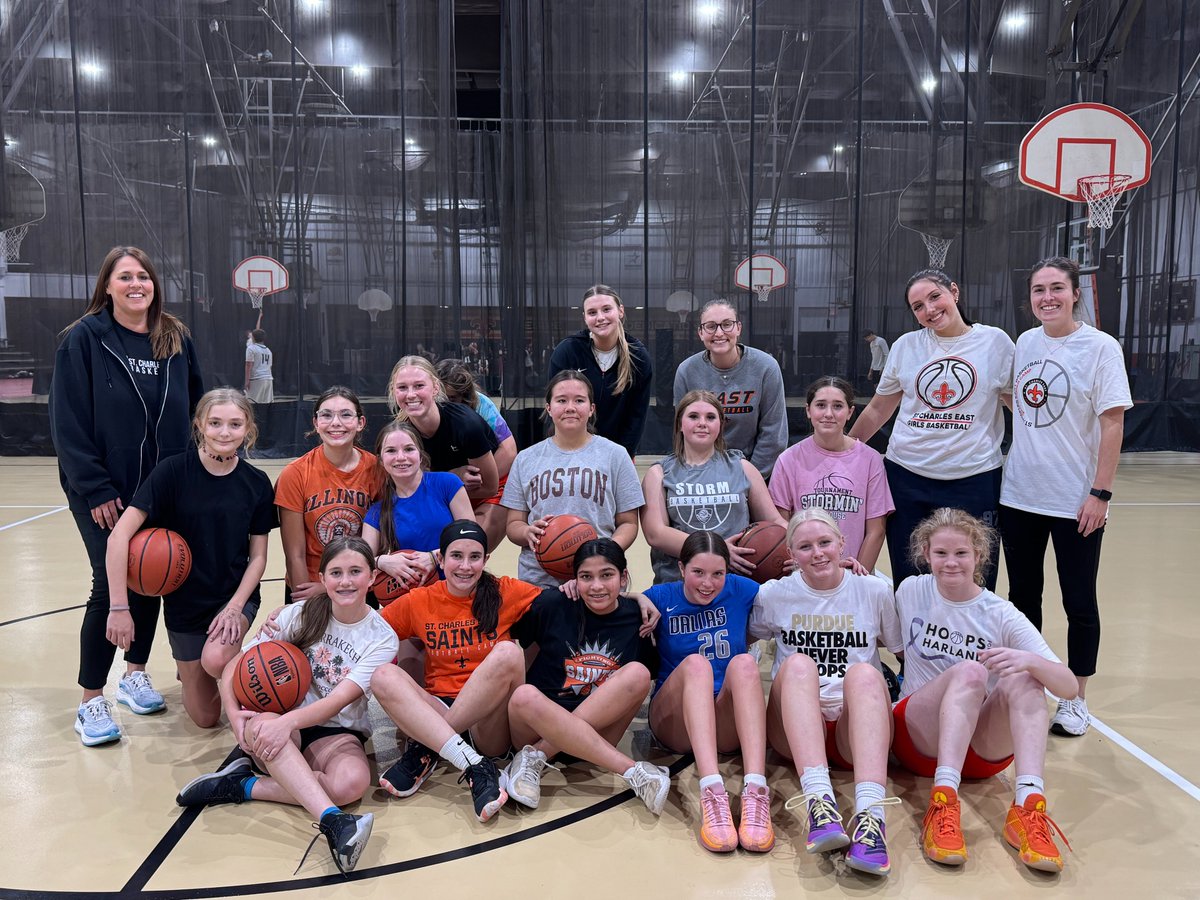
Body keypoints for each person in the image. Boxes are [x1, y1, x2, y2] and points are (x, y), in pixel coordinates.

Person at [49, 246, 204, 746]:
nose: (137, 284)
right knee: (110, 582)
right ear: (108, 286)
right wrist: (94, 486)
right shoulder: (83, 340)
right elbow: (67, 422)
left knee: (157, 570)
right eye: (125, 277)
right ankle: (90, 698)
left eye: (144, 276)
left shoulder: (173, 338)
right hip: (105, 489)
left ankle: (134, 671)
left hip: (164, 484)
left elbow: (197, 407)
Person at [174, 537, 398, 875]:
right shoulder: (301, 613)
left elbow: (339, 700)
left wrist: (288, 724)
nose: (346, 581)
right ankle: (334, 821)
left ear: (371, 577)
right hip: (276, 714)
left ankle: (242, 785)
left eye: (355, 571)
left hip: (335, 728)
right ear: (322, 579)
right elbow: (238, 662)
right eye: (336, 572)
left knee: (352, 783)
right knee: (265, 729)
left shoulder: (381, 636)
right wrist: (235, 716)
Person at [894, 508, 1076, 873]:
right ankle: (943, 800)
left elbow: (1068, 687)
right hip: (917, 740)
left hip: (980, 753)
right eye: (940, 553)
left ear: (979, 555)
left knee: (1025, 678)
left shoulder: (1001, 614)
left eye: (961, 553)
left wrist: (1029, 662)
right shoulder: (910, 590)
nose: (950, 563)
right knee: (971, 672)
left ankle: (1027, 805)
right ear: (924, 554)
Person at [999, 256, 1132, 738]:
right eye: (1038, 290)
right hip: (1018, 496)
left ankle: (1076, 697)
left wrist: (1100, 492)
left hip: (1076, 500)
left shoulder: (1100, 348)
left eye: (1057, 288)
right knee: (1022, 598)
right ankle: (1027, 685)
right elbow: (1018, 398)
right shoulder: (1025, 343)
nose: (1047, 298)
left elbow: (1112, 422)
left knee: (1079, 599)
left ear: (1075, 293)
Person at [104, 388, 277, 729]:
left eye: (234, 424)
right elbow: (118, 537)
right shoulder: (171, 473)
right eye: (215, 423)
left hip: (233, 597)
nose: (224, 433)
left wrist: (234, 607)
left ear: (248, 429)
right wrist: (119, 607)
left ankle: (226, 661)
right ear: (199, 424)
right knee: (205, 719)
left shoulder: (256, 483)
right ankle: (189, 670)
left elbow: (257, 558)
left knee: (217, 659)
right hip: (184, 604)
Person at [750, 510, 902, 876]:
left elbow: (901, 653)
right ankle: (820, 804)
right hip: (796, 730)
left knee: (867, 672)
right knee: (799, 664)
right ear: (790, 553)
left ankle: (871, 819)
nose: (817, 553)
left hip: (854, 732)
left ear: (842, 545)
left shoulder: (874, 590)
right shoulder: (774, 594)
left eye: (825, 543)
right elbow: (740, 641)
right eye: (805, 546)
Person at [848, 269, 1014, 589]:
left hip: (974, 476)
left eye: (934, 297)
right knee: (912, 578)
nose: (929, 309)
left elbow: (1017, 405)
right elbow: (880, 408)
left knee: (975, 576)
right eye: (918, 306)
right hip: (907, 475)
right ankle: (915, 639)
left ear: (954, 292)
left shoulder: (995, 342)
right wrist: (842, 450)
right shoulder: (906, 346)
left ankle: (972, 638)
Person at [370, 520, 532, 823]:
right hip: (440, 704)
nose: (465, 566)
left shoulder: (506, 591)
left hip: (489, 724)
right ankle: (473, 765)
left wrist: (633, 598)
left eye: (475, 557)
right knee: (382, 675)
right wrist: (295, 614)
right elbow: (364, 628)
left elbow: (563, 604)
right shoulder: (420, 601)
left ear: (486, 560)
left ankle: (429, 748)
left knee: (509, 652)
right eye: (456, 556)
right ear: (441, 560)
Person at [504, 538, 670, 814]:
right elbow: (519, 640)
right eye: (585, 577)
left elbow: (643, 680)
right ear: (574, 579)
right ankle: (634, 773)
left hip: (596, 736)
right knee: (523, 696)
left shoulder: (638, 618)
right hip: (537, 728)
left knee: (639, 673)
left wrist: (637, 597)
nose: (596, 586)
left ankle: (535, 757)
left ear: (623, 576)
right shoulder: (553, 603)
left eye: (607, 575)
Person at [644, 532, 771, 854]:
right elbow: (607, 599)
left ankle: (756, 790)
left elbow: (799, 590)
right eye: (698, 572)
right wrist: (634, 597)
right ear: (681, 567)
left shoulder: (742, 590)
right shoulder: (660, 596)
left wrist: (845, 569)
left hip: (723, 722)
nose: (708, 583)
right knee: (697, 665)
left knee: (744, 663)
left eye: (718, 574)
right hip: (674, 721)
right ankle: (711, 790)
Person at [502, 370, 643, 588]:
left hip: (599, 581)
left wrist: (602, 557)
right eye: (561, 400)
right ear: (548, 408)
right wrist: (526, 532)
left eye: (579, 400)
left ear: (591, 409)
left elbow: (629, 523)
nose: (570, 407)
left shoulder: (615, 455)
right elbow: (513, 524)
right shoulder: (525, 459)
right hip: (539, 583)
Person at [641, 390, 785, 583]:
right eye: (693, 416)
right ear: (680, 424)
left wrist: (805, 539)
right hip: (679, 586)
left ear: (720, 425)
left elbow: (775, 520)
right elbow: (656, 534)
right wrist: (718, 551)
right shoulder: (659, 473)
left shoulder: (742, 467)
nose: (702, 423)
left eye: (710, 417)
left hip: (735, 584)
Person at [769, 377, 893, 570]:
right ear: (808, 410)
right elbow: (781, 526)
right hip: (804, 575)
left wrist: (857, 579)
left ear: (850, 412)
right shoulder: (788, 459)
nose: (828, 413)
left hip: (853, 575)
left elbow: (876, 531)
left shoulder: (871, 460)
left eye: (837, 406)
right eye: (820, 405)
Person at [275, 387, 380, 604]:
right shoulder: (295, 473)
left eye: (345, 414)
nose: (336, 423)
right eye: (326, 415)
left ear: (361, 422)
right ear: (315, 422)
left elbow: (379, 543)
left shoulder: (377, 470)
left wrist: (331, 588)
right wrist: (305, 603)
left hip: (359, 585)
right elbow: (295, 554)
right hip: (309, 586)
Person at [672, 300, 788, 478]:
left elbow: (773, 434)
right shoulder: (686, 371)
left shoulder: (766, 367)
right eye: (711, 326)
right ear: (701, 333)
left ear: (738, 328)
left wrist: (747, 480)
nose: (719, 333)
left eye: (727, 324)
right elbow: (684, 432)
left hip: (754, 474)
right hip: (701, 473)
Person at [362, 420, 474, 592]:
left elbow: (473, 538)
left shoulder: (447, 484)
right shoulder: (377, 512)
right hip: (413, 598)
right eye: (391, 451)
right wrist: (382, 561)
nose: (401, 457)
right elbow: (360, 560)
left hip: (459, 591)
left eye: (408, 449)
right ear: (381, 461)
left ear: (420, 455)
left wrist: (435, 557)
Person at [547, 285, 652, 457]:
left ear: (620, 311)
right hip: (572, 450)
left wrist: (622, 456)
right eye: (592, 312)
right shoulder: (567, 352)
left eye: (606, 309)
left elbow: (637, 417)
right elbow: (556, 407)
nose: (600, 318)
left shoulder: (639, 357)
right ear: (585, 318)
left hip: (618, 453)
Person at [388, 355, 500, 504]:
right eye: (402, 387)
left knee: (469, 527)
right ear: (394, 391)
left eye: (419, 386)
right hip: (441, 493)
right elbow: (403, 488)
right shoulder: (399, 433)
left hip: (484, 492)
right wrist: (451, 477)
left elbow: (490, 487)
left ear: (435, 388)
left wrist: (444, 486)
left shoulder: (465, 424)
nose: (411, 394)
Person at [436, 358, 517, 550]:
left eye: (455, 399)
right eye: (445, 399)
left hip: (490, 482)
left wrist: (482, 479)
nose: (451, 405)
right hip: (450, 485)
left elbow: (509, 449)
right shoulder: (424, 413)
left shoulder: (482, 405)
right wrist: (456, 481)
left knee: (473, 545)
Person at [244, 329, 273, 403]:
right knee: (267, 405)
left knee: (252, 404)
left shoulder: (251, 348)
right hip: (269, 379)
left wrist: (247, 381)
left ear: (253, 338)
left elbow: (248, 365)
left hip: (256, 379)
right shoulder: (268, 350)